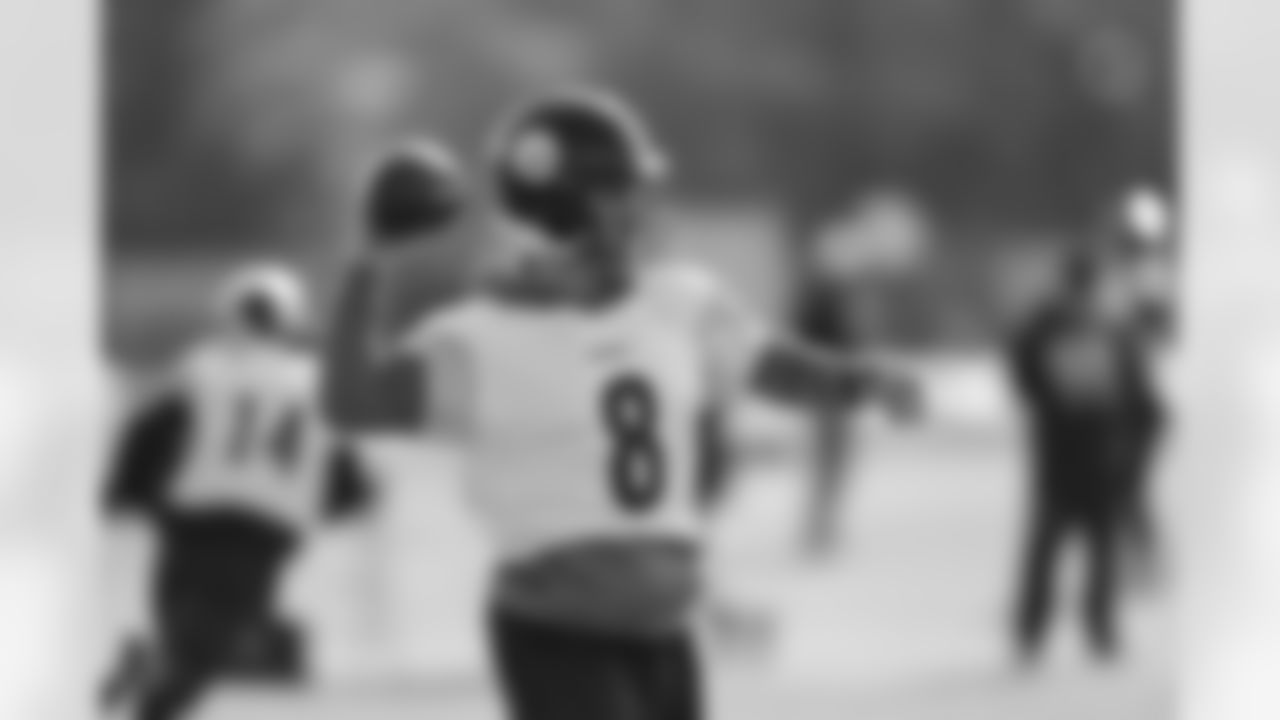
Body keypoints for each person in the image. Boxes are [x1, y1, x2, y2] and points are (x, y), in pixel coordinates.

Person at [324, 89, 913, 720]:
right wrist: (367, 261)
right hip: (556, 633)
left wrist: (855, 381)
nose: (643, 208)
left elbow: (773, 368)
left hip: (664, 633)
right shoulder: (479, 340)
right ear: (584, 206)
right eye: (626, 191)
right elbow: (351, 402)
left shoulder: (680, 303)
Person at [100, 262, 374, 720]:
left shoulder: (199, 370)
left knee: (183, 623)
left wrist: (127, 497)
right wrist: (326, 508)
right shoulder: (314, 384)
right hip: (265, 527)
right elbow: (347, 480)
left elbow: (146, 437)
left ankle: (150, 669)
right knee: (210, 642)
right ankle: (154, 680)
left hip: (190, 517)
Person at [1006, 247, 1161, 666]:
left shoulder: (1100, 328)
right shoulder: (1062, 327)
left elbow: (1140, 397)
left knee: (1093, 552)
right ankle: (1038, 632)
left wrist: (1136, 443)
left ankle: (1091, 631)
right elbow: (1024, 376)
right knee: (1055, 549)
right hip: (1072, 454)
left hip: (1091, 454)